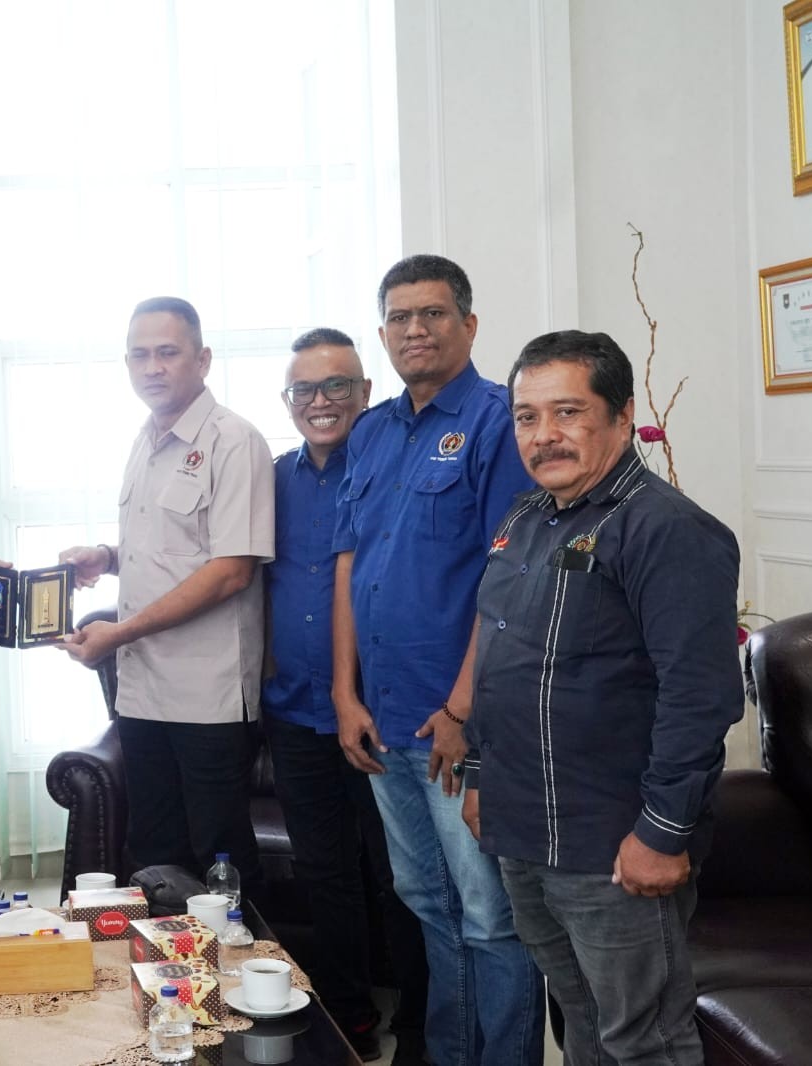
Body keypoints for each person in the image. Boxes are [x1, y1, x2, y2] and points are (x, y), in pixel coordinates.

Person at [464, 331, 742, 1065]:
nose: (543, 435)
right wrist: (479, 775)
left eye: (567, 412)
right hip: (525, 831)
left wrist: (662, 833)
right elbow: (499, 661)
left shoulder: (668, 529)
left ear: (621, 417)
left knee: (643, 1039)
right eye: (526, 417)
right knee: (580, 1021)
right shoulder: (524, 519)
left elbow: (701, 696)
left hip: (612, 847)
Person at [330, 255, 543, 1065]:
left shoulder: (496, 423)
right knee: (428, 903)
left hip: (457, 727)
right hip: (384, 720)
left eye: (432, 313)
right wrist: (345, 695)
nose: (414, 329)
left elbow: (508, 580)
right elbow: (349, 564)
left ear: (468, 324)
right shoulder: (371, 431)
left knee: (490, 917)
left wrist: (460, 711)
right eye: (398, 317)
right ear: (382, 332)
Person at [59, 297, 273, 883]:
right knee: (154, 851)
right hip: (142, 691)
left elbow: (231, 570)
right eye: (139, 355)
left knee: (219, 858)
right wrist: (106, 557)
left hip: (208, 696)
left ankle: (240, 948)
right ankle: (164, 950)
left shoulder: (234, 441)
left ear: (202, 359)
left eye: (168, 353)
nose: (152, 367)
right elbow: (169, 550)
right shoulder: (144, 439)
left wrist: (120, 632)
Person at [260, 328, 429, 1063]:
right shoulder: (273, 477)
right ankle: (347, 1015)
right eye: (304, 389)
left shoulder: (393, 467)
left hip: (377, 712)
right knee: (323, 870)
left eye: (337, 385)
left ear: (365, 392)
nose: (320, 401)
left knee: (402, 875)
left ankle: (421, 1024)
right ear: (288, 401)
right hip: (294, 711)